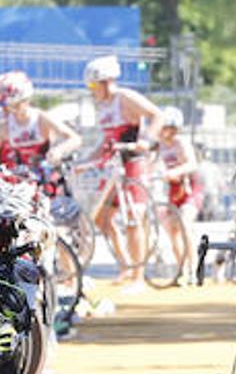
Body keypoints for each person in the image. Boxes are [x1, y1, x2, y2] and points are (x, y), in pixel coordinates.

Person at [84, 55, 163, 290]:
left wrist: (147, 140)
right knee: (100, 216)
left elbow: (157, 115)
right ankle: (126, 266)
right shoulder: (102, 106)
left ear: (106, 82)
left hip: (134, 163)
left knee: (133, 218)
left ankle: (138, 276)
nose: (91, 91)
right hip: (114, 165)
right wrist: (85, 161)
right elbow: (106, 141)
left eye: (93, 85)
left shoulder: (124, 97)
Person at [0, 71, 80, 172]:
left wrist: (59, 150)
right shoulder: (4, 126)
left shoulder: (41, 118)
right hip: (14, 179)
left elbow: (75, 138)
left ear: (24, 100)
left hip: (42, 178)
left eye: (12, 105)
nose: (6, 109)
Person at [153, 107, 202, 283]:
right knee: (171, 229)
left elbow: (192, 164)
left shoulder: (180, 142)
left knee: (185, 224)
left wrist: (175, 171)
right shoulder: (160, 144)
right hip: (173, 191)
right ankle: (181, 268)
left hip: (189, 188)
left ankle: (194, 269)